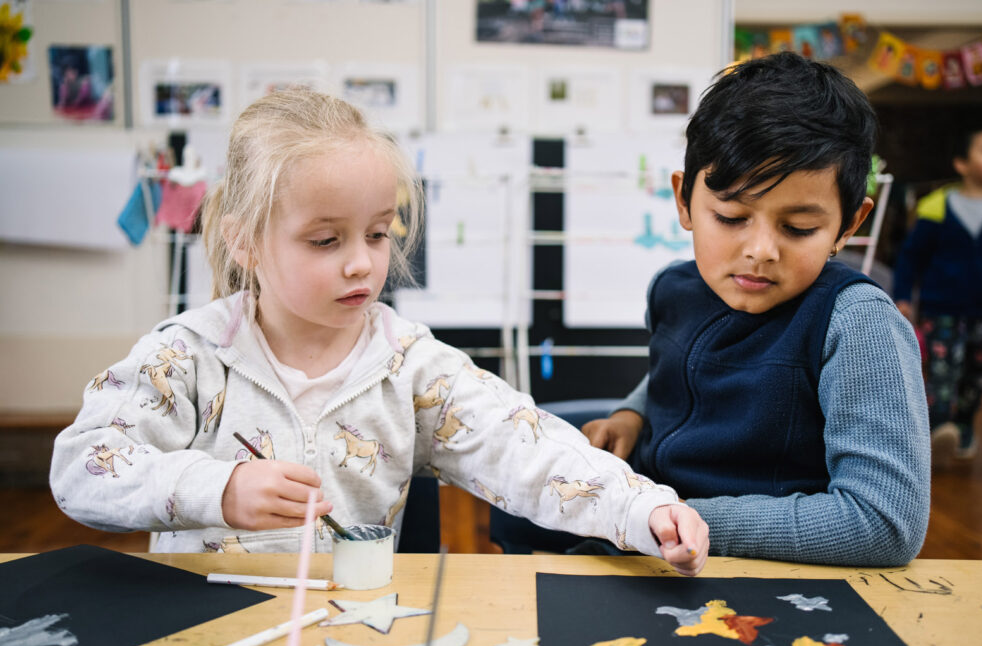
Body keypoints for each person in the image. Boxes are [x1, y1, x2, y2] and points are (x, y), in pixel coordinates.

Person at [49, 88, 707, 575]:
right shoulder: (184, 355)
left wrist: (641, 508)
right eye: (325, 239)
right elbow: (80, 466)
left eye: (376, 233)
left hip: (355, 633)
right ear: (244, 241)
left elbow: (526, 448)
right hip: (203, 632)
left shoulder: (411, 366)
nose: (363, 261)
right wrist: (214, 488)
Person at [582, 52, 930, 567]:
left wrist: (685, 519)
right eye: (730, 216)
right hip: (648, 547)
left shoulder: (859, 325)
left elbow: (883, 522)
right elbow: (680, 368)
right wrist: (634, 412)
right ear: (684, 202)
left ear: (849, 224)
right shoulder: (673, 288)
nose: (761, 249)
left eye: (798, 228)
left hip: (764, 579)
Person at [892, 126, 982, 464]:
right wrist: (903, 296)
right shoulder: (936, 207)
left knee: (976, 376)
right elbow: (911, 257)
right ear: (962, 164)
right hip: (941, 308)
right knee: (942, 373)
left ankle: (963, 427)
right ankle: (938, 431)